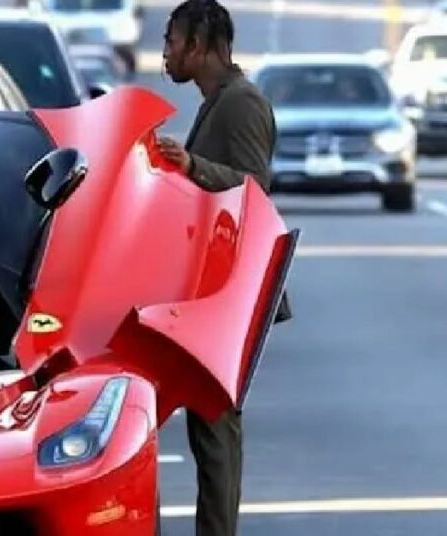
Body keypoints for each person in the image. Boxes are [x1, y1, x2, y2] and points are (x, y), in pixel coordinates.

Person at [154, 1, 279, 535]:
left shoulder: (242, 103)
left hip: (228, 292)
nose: (165, 54)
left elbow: (255, 187)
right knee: (206, 423)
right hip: (206, 286)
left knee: (216, 422)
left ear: (199, 46)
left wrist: (192, 165)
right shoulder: (218, 100)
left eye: (171, 42)